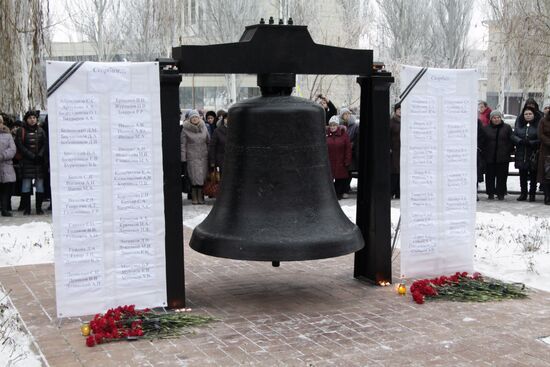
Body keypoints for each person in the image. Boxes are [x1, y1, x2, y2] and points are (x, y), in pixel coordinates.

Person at [15, 110, 48, 215]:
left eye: (34, 118)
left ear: (36, 119)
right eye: (30, 118)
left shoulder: (41, 130)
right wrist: (31, 156)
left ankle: (38, 208)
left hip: (38, 162)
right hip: (26, 162)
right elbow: (20, 145)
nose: (32, 120)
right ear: (26, 119)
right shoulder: (21, 130)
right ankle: (27, 208)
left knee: (40, 185)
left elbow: (45, 144)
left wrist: (40, 155)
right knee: (26, 186)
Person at [481, 110, 513, 200]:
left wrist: (508, 149)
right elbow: (483, 141)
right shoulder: (486, 128)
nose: (496, 119)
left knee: (502, 177)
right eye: (494, 118)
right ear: (491, 119)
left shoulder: (507, 127)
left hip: (503, 157)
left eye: (498, 117)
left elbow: (511, 140)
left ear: (501, 118)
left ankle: (501, 193)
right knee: (490, 176)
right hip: (489, 157)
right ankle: (490, 193)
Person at [181, 110, 209, 205]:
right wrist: (183, 158)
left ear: (199, 118)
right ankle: (194, 197)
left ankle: (201, 196)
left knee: (202, 177)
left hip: (203, 156)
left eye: (196, 117)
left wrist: (210, 154)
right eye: (193, 118)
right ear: (189, 119)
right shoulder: (185, 129)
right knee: (193, 177)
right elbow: (183, 144)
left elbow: (208, 141)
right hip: (192, 156)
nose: (195, 119)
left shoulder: (204, 127)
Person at [511, 106, 540, 201]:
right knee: (522, 175)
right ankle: (523, 193)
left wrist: (531, 142)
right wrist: (520, 141)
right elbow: (513, 136)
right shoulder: (520, 124)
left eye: (530, 114)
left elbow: (540, 139)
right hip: (521, 153)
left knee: (533, 176)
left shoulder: (538, 125)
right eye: (526, 114)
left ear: (534, 115)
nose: (528, 116)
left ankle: (532, 194)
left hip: (533, 154)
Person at [326, 116, 352, 200]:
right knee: (329, 179)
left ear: (337, 125)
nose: (332, 127)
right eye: (331, 125)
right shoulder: (325, 134)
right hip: (329, 161)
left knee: (339, 179)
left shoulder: (344, 135)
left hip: (340, 162)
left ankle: (338, 194)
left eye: (334, 125)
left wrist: (347, 160)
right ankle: (330, 196)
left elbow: (348, 148)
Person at [339, 107, 358, 197]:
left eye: (348, 114)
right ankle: (341, 189)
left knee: (349, 171)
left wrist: (351, 145)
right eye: (345, 114)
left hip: (351, 152)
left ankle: (346, 189)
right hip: (340, 151)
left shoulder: (355, 126)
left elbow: (357, 138)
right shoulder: (339, 125)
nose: (347, 115)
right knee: (341, 171)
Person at [0, 115, 16, 216]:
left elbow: (12, 149)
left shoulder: (8, 135)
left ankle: (4, 209)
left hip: (5, 166)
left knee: (5, 190)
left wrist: (2, 155)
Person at [208, 111, 228, 176]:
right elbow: (212, 146)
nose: (228, 120)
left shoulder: (236, 131)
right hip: (221, 159)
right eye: (226, 118)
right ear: (223, 120)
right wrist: (212, 161)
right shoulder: (217, 131)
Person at [537, 112, 550, 205]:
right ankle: (547, 196)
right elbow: (540, 134)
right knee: (547, 174)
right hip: (546, 151)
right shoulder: (543, 120)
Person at [390, 103, 401, 199]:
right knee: (395, 172)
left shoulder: (406, 121)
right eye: (398, 109)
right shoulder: (392, 122)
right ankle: (392, 191)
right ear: (395, 111)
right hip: (394, 150)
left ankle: (399, 192)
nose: (400, 111)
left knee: (401, 171)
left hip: (403, 150)